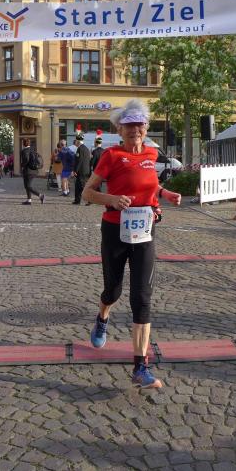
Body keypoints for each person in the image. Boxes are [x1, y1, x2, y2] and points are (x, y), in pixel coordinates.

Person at [82, 99, 182, 389]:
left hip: (145, 232)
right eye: (129, 125)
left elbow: (148, 184)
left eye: (139, 124)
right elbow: (88, 192)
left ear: (146, 128)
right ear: (119, 129)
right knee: (112, 290)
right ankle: (102, 317)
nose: (135, 129)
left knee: (142, 297)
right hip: (115, 231)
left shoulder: (152, 153)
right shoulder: (111, 155)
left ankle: (141, 367)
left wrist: (164, 194)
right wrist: (112, 199)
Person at [19, 138, 44, 205]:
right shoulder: (33, 149)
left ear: (23, 143)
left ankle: (40, 195)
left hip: (28, 171)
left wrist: (22, 165)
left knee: (28, 186)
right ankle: (29, 200)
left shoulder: (24, 150)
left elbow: (26, 159)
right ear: (29, 143)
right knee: (27, 186)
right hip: (34, 170)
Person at [72, 133, 92, 204]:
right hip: (85, 170)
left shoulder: (80, 149)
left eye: (76, 141)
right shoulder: (86, 148)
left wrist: (75, 170)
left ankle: (90, 200)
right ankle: (77, 200)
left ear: (78, 141)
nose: (75, 142)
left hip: (81, 171)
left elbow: (79, 160)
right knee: (78, 186)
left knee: (83, 186)